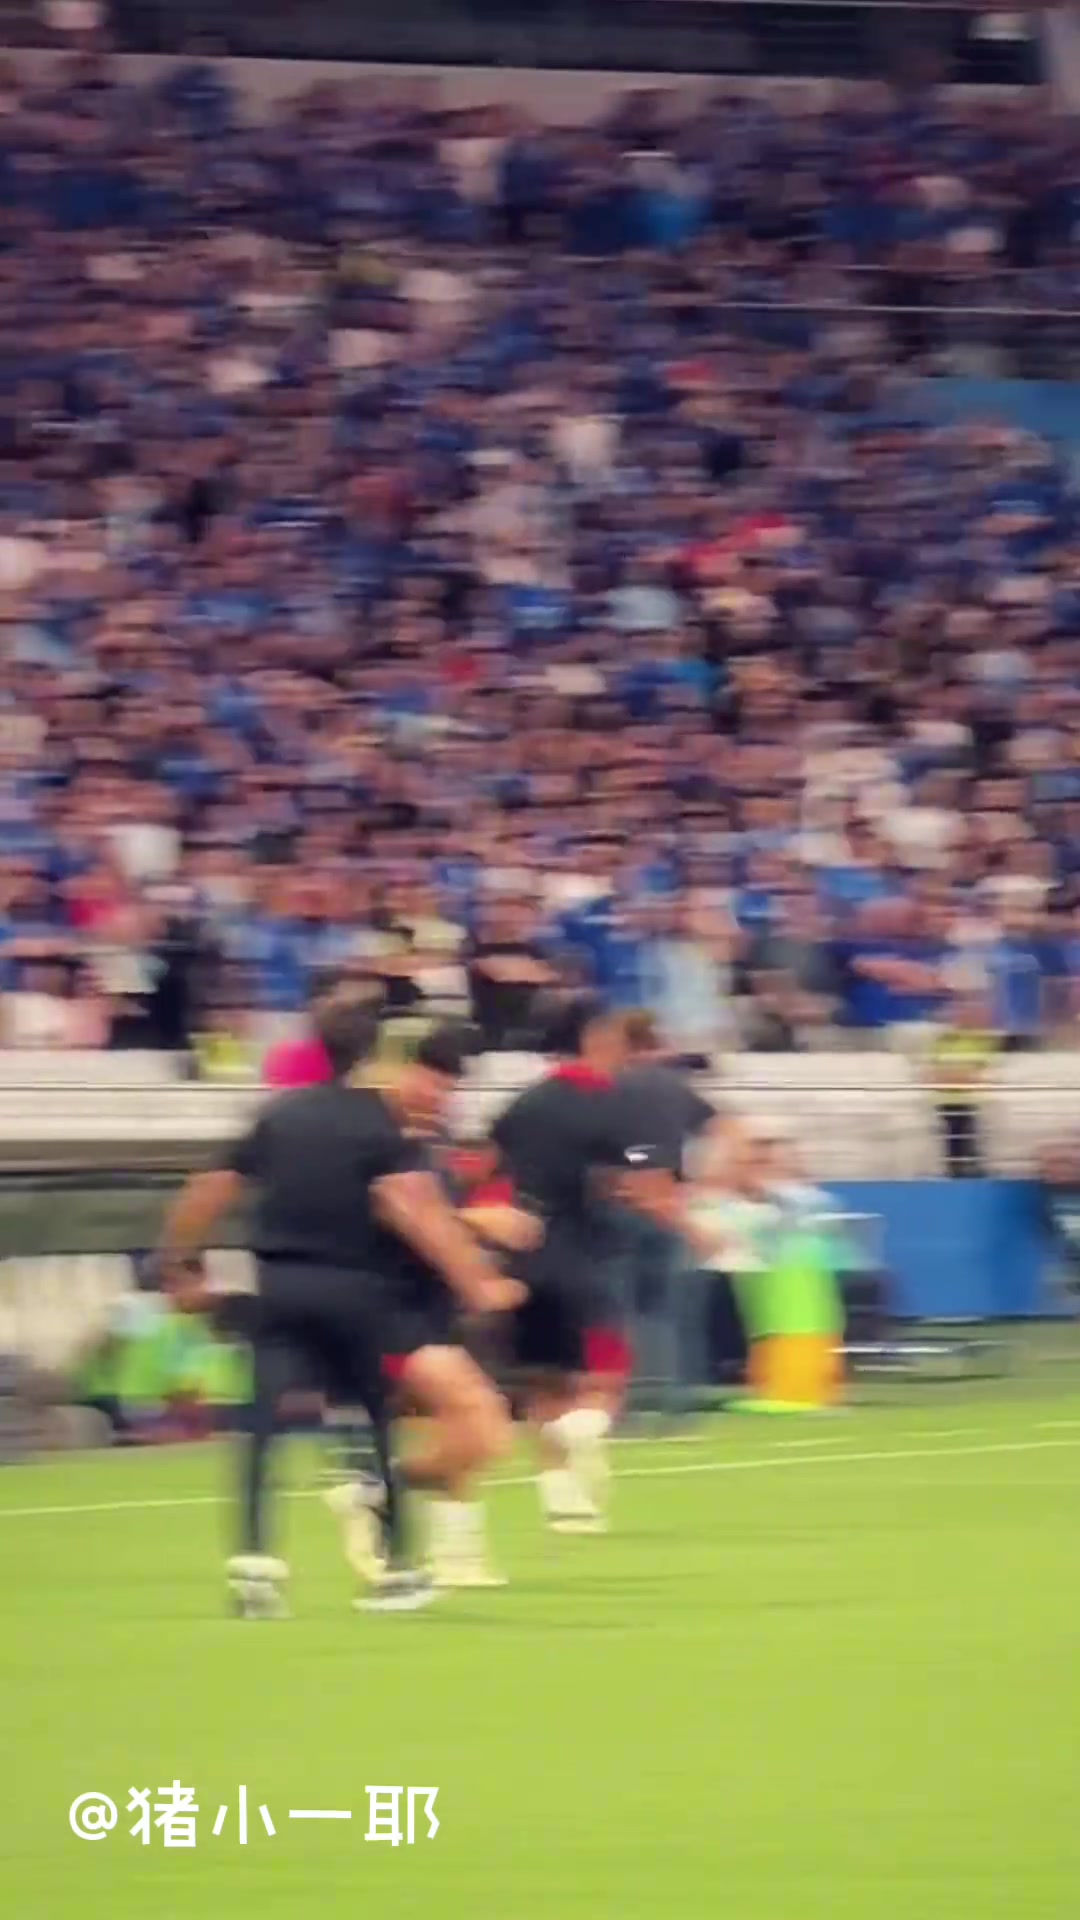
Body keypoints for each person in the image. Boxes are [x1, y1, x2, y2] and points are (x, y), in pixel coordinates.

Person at [158, 997, 520, 1618]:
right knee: (375, 1425)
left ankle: (254, 1571)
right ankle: (396, 1572)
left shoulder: (279, 1115)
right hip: (355, 1290)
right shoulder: (382, 1126)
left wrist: (179, 1263)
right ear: (379, 1055)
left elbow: (209, 1189)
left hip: (279, 1286)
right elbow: (415, 1211)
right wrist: (477, 1283)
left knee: (263, 1429)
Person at [491, 996, 675, 1532]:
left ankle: (561, 1500)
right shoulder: (614, 1102)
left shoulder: (522, 1105)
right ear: (594, 1037)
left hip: (524, 1254)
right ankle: (582, 1432)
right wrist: (691, 1224)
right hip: (587, 1256)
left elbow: (487, 1168)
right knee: (607, 1377)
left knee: (546, 1383)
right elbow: (640, 1180)